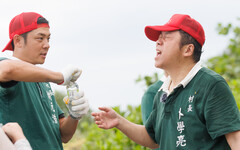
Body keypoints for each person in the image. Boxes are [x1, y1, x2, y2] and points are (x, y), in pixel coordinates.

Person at [92, 14, 240, 150]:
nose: (158, 41)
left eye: (167, 37)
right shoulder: (163, 92)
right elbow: (153, 139)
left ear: (188, 50)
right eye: (159, 37)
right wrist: (119, 121)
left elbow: (235, 139)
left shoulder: (210, 85)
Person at [0, 12, 89, 150]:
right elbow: (7, 70)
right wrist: (60, 77)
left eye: (48, 38)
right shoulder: (7, 67)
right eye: (40, 38)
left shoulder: (43, 81)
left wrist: (74, 115)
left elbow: (63, 135)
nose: (47, 45)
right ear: (17, 41)